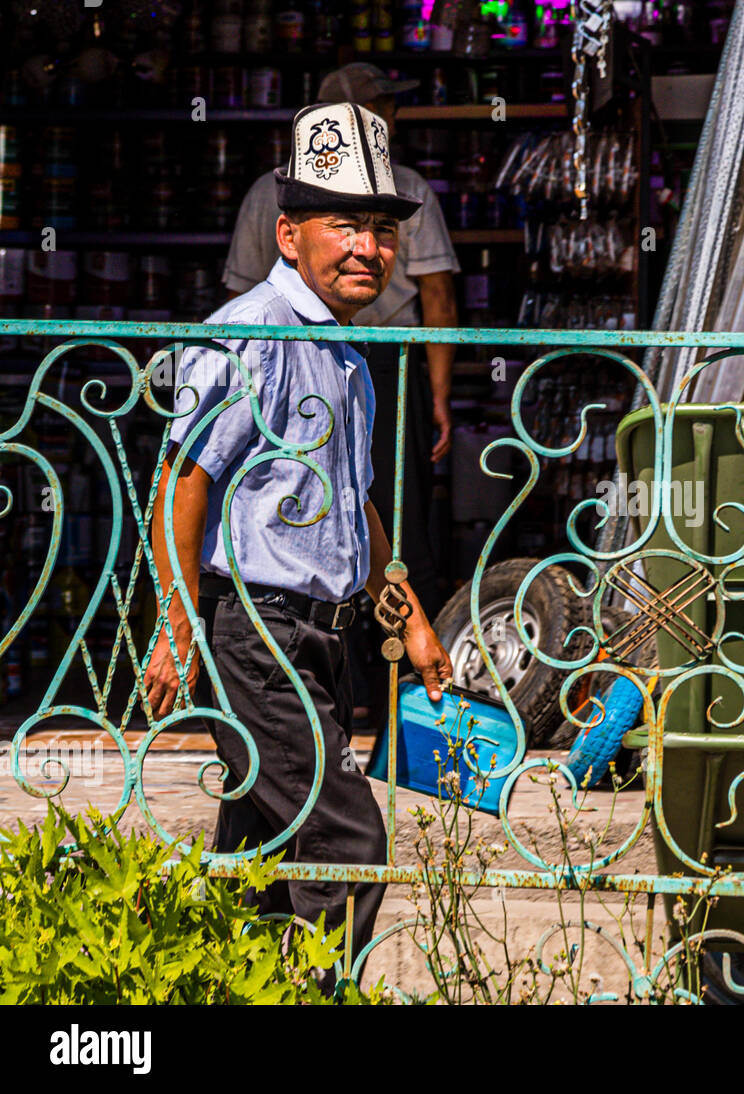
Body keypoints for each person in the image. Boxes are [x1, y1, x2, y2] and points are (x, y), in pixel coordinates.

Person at [144, 102, 453, 965]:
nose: (369, 248)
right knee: (349, 847)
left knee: (263, 856)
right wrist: (178, 624)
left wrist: (409, 616)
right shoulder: (254, 333)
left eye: (383, 230)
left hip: (322, 637)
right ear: (289, 235)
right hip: (258, 633)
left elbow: (356, 505)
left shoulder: (347, 354)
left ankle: (215, 979)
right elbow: (183, 478)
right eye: (345, 225)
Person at [222, 62, 457, 642]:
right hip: (345, 351)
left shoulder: (270, 191)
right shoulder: (254, 311)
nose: (366, 245)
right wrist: (440, 394)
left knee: (363, 504)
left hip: (373, 358)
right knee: (319, 506)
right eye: (386, 107)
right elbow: (439, 296)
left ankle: (387, 678)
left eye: (380, 230)